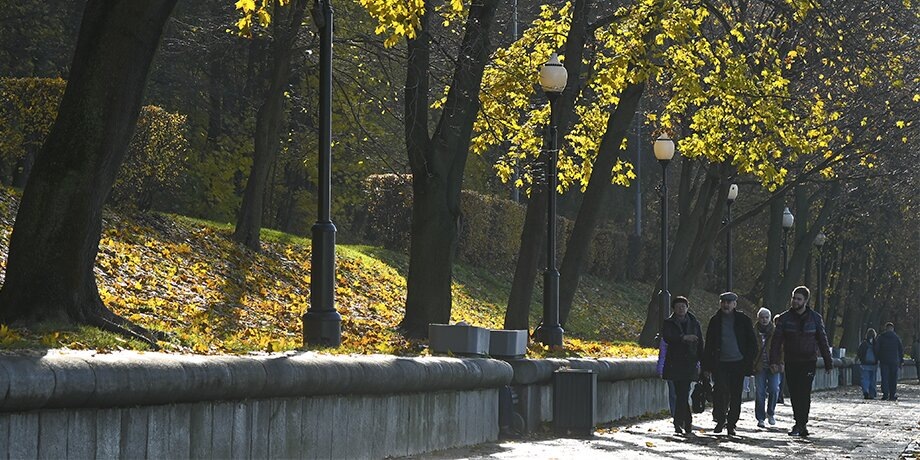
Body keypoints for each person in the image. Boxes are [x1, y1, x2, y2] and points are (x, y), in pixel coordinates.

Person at [770, 286, 833, 438]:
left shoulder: (815, 318)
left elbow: (822, 340)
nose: (795, 301)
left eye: (799, 299)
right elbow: (776, 342)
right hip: (791, 360)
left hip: (808, 361)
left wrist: (828, 362)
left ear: (805, 301)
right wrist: (774, 361)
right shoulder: (784, 318)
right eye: (794, 298)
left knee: (804, 392)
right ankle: (800, 423)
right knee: (794, 393)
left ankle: (801, 423)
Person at [702, 291, 757, 436]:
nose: (726, 305)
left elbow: (752, 343)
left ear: (734, 304)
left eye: (729, 302)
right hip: (720, 363)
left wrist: (747, 361)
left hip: (738, 363)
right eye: (723, 302)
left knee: (735, 394)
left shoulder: (743, 320)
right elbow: (709, 344)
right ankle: (720, 419)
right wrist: (706, 366)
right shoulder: (715, 320)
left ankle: (732, 423)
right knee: (720, 392)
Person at [661, 296, 704, 435]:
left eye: (683, 306)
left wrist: (702, 362)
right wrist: (683, 338)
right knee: (680, 393)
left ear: (687, 308)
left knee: (683, 393)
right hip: (674, 363)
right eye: (678, 306)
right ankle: (684, 422)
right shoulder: (669, 323)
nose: (681, 309)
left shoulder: (694, 323)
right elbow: (667, 337)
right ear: (674, 309)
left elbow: (700, 343)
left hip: (689, 363)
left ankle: (681, 422)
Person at [752, 307, 780, 428]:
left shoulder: (776, 332)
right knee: (760, 392)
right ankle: (760, 417)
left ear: (770, 318)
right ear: (758, 318)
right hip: (759, 366)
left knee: (774, 389)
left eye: (767, 317)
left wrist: (780, 363)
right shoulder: (753, 332)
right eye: (762, 317)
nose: (764, 320)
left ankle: (771, 412)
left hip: (773, 365)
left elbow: (781, 348)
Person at [875, 322, 904, 401]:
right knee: (893, 378)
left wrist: (877, 358)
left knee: (885, 378)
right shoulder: (896, 338)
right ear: (892, 329)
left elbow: (877, 348)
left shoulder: (881, 337)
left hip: (884, 360)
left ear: (886, 328)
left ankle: (885, 394)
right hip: (894, 361)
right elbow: (900, 350)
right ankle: (892, 394)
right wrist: (901, 360)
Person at [656, 333, 677, 417]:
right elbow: (662, 355)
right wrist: (661, 370)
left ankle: (679, 413)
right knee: (673, 392)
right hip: (670, 368)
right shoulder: (666, 338)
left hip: (681, 368)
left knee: (677, 393)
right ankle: (675, 414)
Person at [856, 328, 879, 399]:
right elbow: (878, 353)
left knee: (865, 378)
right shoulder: (876, 344)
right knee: (873, 379)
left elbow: (859, 352)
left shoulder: (864, 343)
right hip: (874, 364)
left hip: (864, 364)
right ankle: (872, 393)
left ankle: (865, 390)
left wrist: (858, 359)